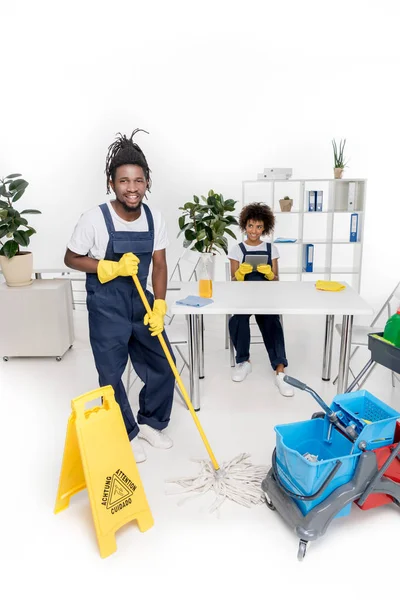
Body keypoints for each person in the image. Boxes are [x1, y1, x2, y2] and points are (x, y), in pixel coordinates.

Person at [64, 129, 176, 462]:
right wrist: (109, 267)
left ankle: (150, 422)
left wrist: (159, 304)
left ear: (147, 183)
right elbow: (71, 258)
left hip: (141, 303)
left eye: (138, 180)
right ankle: (125, 432)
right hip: (107, 305)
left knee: (163, 363)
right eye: (124, 181)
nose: (132, 188)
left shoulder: (155, 218)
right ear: (112, 183)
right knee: (111, 373)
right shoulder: (95, 218)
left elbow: (159, 263)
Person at [227, 202, 294, 397]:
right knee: (237, 320)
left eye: (258, 226)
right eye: (250, 226)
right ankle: (243, 362)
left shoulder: (271, 249)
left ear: (265, 227)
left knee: (272, 322)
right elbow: (233, 280)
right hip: (243, 296)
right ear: (244, 226)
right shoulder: (236, 249)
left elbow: (276, 278)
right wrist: (240, 273)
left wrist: (270, 274)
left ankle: (280, 371)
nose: (254, 231)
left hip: (266, 296)